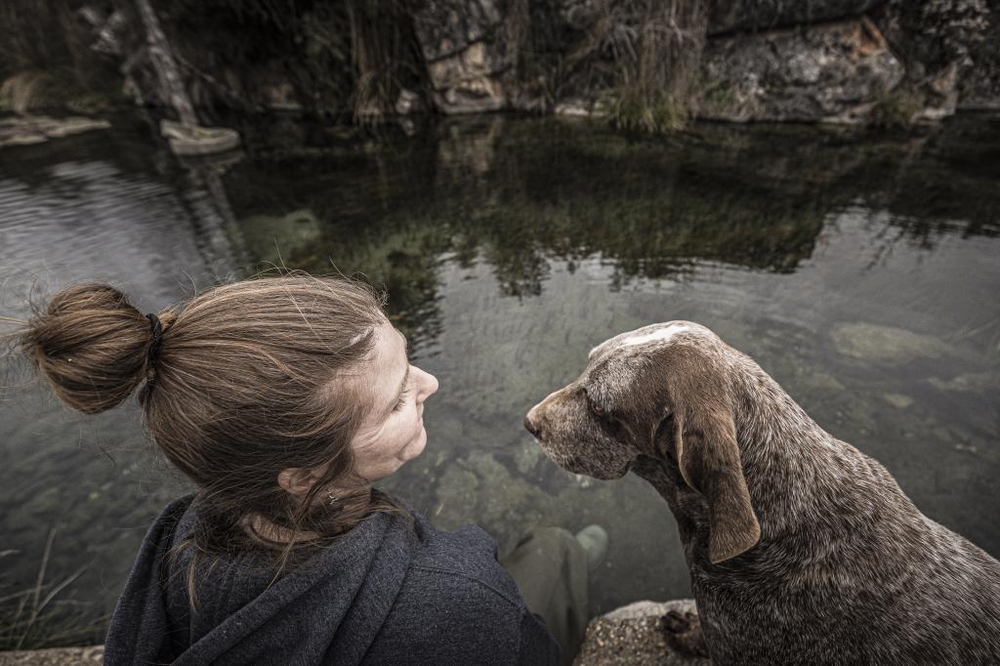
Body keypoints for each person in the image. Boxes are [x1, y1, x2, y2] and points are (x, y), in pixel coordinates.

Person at [18, 274, 608, 665]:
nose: (431, 383)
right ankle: (579, 554)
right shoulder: (460, 604)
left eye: (408, 362)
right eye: (398, 399)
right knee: (556, 552)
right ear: (300, 476)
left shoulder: (174, 551)